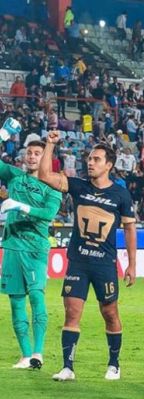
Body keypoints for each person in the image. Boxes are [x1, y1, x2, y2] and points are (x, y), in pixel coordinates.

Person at [37, 131, 137, 382]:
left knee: (110, 313)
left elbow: (130, 229)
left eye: (96, 159)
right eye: (89, 158)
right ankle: (68, 367)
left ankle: (114, 364)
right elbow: (44, 175)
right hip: (78, 262)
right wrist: (50, 144)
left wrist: (132, 265)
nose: (90, 162)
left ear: (109, 165)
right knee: (72, 313)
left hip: (104, 264)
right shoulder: (78, 185)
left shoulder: (121, 195)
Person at [0, 118, 62, 369]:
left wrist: (20, 206)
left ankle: (38, 352)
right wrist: (2, 136)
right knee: (15, 302)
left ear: (45, 156)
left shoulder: (53, 186)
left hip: (36, 248)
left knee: (36, 297)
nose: (32, 157)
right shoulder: (13, 175)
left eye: (37, 153)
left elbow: (47, 214)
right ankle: (26, 356)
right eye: (29, 153)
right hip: (13, 245)